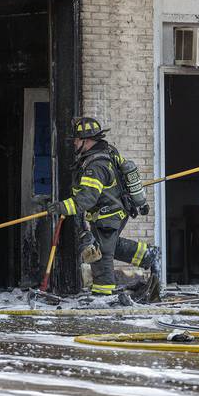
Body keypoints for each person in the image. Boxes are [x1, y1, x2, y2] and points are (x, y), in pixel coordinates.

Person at [47, 117, 161, 301]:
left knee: (100, 255)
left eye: (77, 139)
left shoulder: (95, 166)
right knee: (110, 245)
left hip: (108, 214)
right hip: (114, 211)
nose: (74, 143)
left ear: (87, 140)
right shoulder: (107, 152)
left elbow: (86, 199)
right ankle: (148, 255)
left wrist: (61, 207)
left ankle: (103, 295)